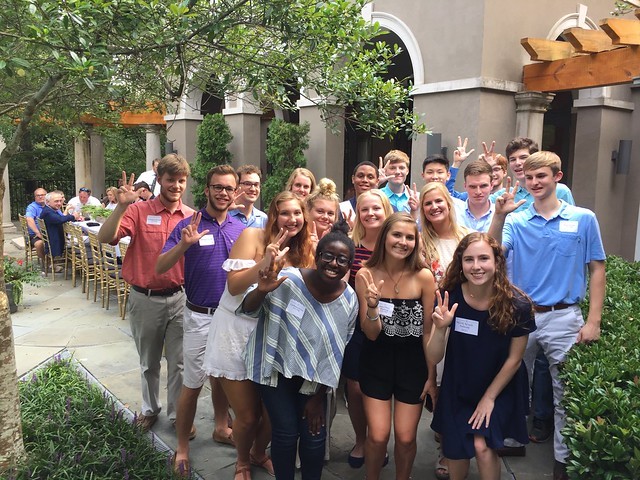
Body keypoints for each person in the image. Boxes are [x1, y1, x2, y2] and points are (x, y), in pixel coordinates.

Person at [489, 151, 606, 480]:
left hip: (564, 316)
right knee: (510, 381)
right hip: (521, 315)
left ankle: (563, 460)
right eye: (529, 177)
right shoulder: (516, 219)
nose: (534, 182)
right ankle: (512, 439)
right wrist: (499, 215)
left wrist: (593, 321)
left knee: (564, 392)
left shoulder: (583, 218)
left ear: (557, 176)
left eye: (541, 175)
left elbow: (597, 268)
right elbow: (493, 253)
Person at [203, 190, 316, 480]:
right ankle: (242, 461)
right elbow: (234, 287)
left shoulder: (306, 251)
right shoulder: (252, 236)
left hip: (272, 339)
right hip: (236, 333)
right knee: (248, 415)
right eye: (284, 212)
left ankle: (258, 452)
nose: (291, 219)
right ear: (273, 215)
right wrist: (263, 262)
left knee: (273, 415)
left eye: (297, 213)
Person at [241, 220, 358, 480]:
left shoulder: (349, 299)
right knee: (285, 432)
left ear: (349, 265)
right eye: (328, 256)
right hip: (275, 368)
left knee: (314, 435)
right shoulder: (289, 279)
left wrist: (318, 397)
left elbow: (336, 351)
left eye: (342, 259)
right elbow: (248, 308)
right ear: (317, 256)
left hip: (314, 380)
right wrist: (261, 290)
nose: (334, 263)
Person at [155, 165, 245, 476]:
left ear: (235, 193)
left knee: (223, 377)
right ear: (206, 190)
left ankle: (221, 428)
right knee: (192, 385)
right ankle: (182, 447)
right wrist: (184, 245)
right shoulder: (188, 225)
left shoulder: (240, 229)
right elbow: (160, 266)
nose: (223, 193)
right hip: (199, 317)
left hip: (231, 318)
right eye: (217, 187)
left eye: (228, 188)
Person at [98, 154, 195, 434]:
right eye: (171, 180)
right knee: (148, 362)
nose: (176, 186)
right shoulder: (139, 211)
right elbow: (105, 238)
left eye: (181, 180)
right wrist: (121, 206)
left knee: (179, 363)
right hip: (145, 298)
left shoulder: (191, 217)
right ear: (159, 180)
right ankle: (150, 409)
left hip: (180, 298)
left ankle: (178, 415)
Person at [428, 232, 535, 480]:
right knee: (455, 450)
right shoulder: (449, 297)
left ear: (497, 261)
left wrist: (489, 398)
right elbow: (433, 357)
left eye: (483, 258)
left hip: (499, 386)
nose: (476, 266)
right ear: (460, 263)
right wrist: (440, 328)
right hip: (459, 384)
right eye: (469, 259)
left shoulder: (517, 305)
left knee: (482, 446)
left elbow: (515, 360)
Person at [355, 212, 436, 480]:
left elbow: (427, 331)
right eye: (397, 235)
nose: (403, 242)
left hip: (413, 365)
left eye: (409, 237)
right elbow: (370, 334)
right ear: (384, 237)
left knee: (405, 437)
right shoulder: (365, 274)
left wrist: (432, 376)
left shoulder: (424, 277)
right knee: (378, 436)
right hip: (375, 362)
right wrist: (373, 306)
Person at [342, 189, 392, 469]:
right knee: (355, 387)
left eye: (376, 208)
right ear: (358, 214)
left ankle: (378, 440)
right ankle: (361, 440)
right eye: (365, 209)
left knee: (383, 388)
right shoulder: (351, 246)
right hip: (357, 328)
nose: (371, 213)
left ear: (386, 210)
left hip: (392, 326)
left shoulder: (397, 243)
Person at [419, 182, 471, 284]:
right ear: (423, 210)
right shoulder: (420, 242)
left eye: (438, 201)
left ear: (448, 204)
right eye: (428, 203)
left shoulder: (468, 236)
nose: (434, 207)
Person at [40, 190, 83, 271]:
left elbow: (61, 218)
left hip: (55, 239)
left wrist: (74, 218)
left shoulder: (50, 209)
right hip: (55, 241)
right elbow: (59, 219)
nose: (59, 203)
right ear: (48, 202)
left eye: (60, 201)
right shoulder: (48, 212)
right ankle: (85, 264)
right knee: (84, 242)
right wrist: (73, 216)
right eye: (56, 201)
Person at [454, 160, 495, 233]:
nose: (478, 192)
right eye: (473, 187)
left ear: (491, 185)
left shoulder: (500, 215)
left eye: (483, 186)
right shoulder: (454, 213)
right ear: (465, 186)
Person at [306, 178, 340, 247]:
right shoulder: (297, 240)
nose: (325, 217)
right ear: (308, 211)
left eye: (330, 213)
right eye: (320, 211)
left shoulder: (338, 243)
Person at [25, 187, 47, 266]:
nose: (40, 197)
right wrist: (37, 233)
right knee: (39, 244)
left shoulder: (50, 205)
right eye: (38, 195)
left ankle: (59, 260)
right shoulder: (32, 207)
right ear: (35, 197)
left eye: (42, 195)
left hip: (48, 233)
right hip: (35, 235)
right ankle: (48, 263)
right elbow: (29, 219)